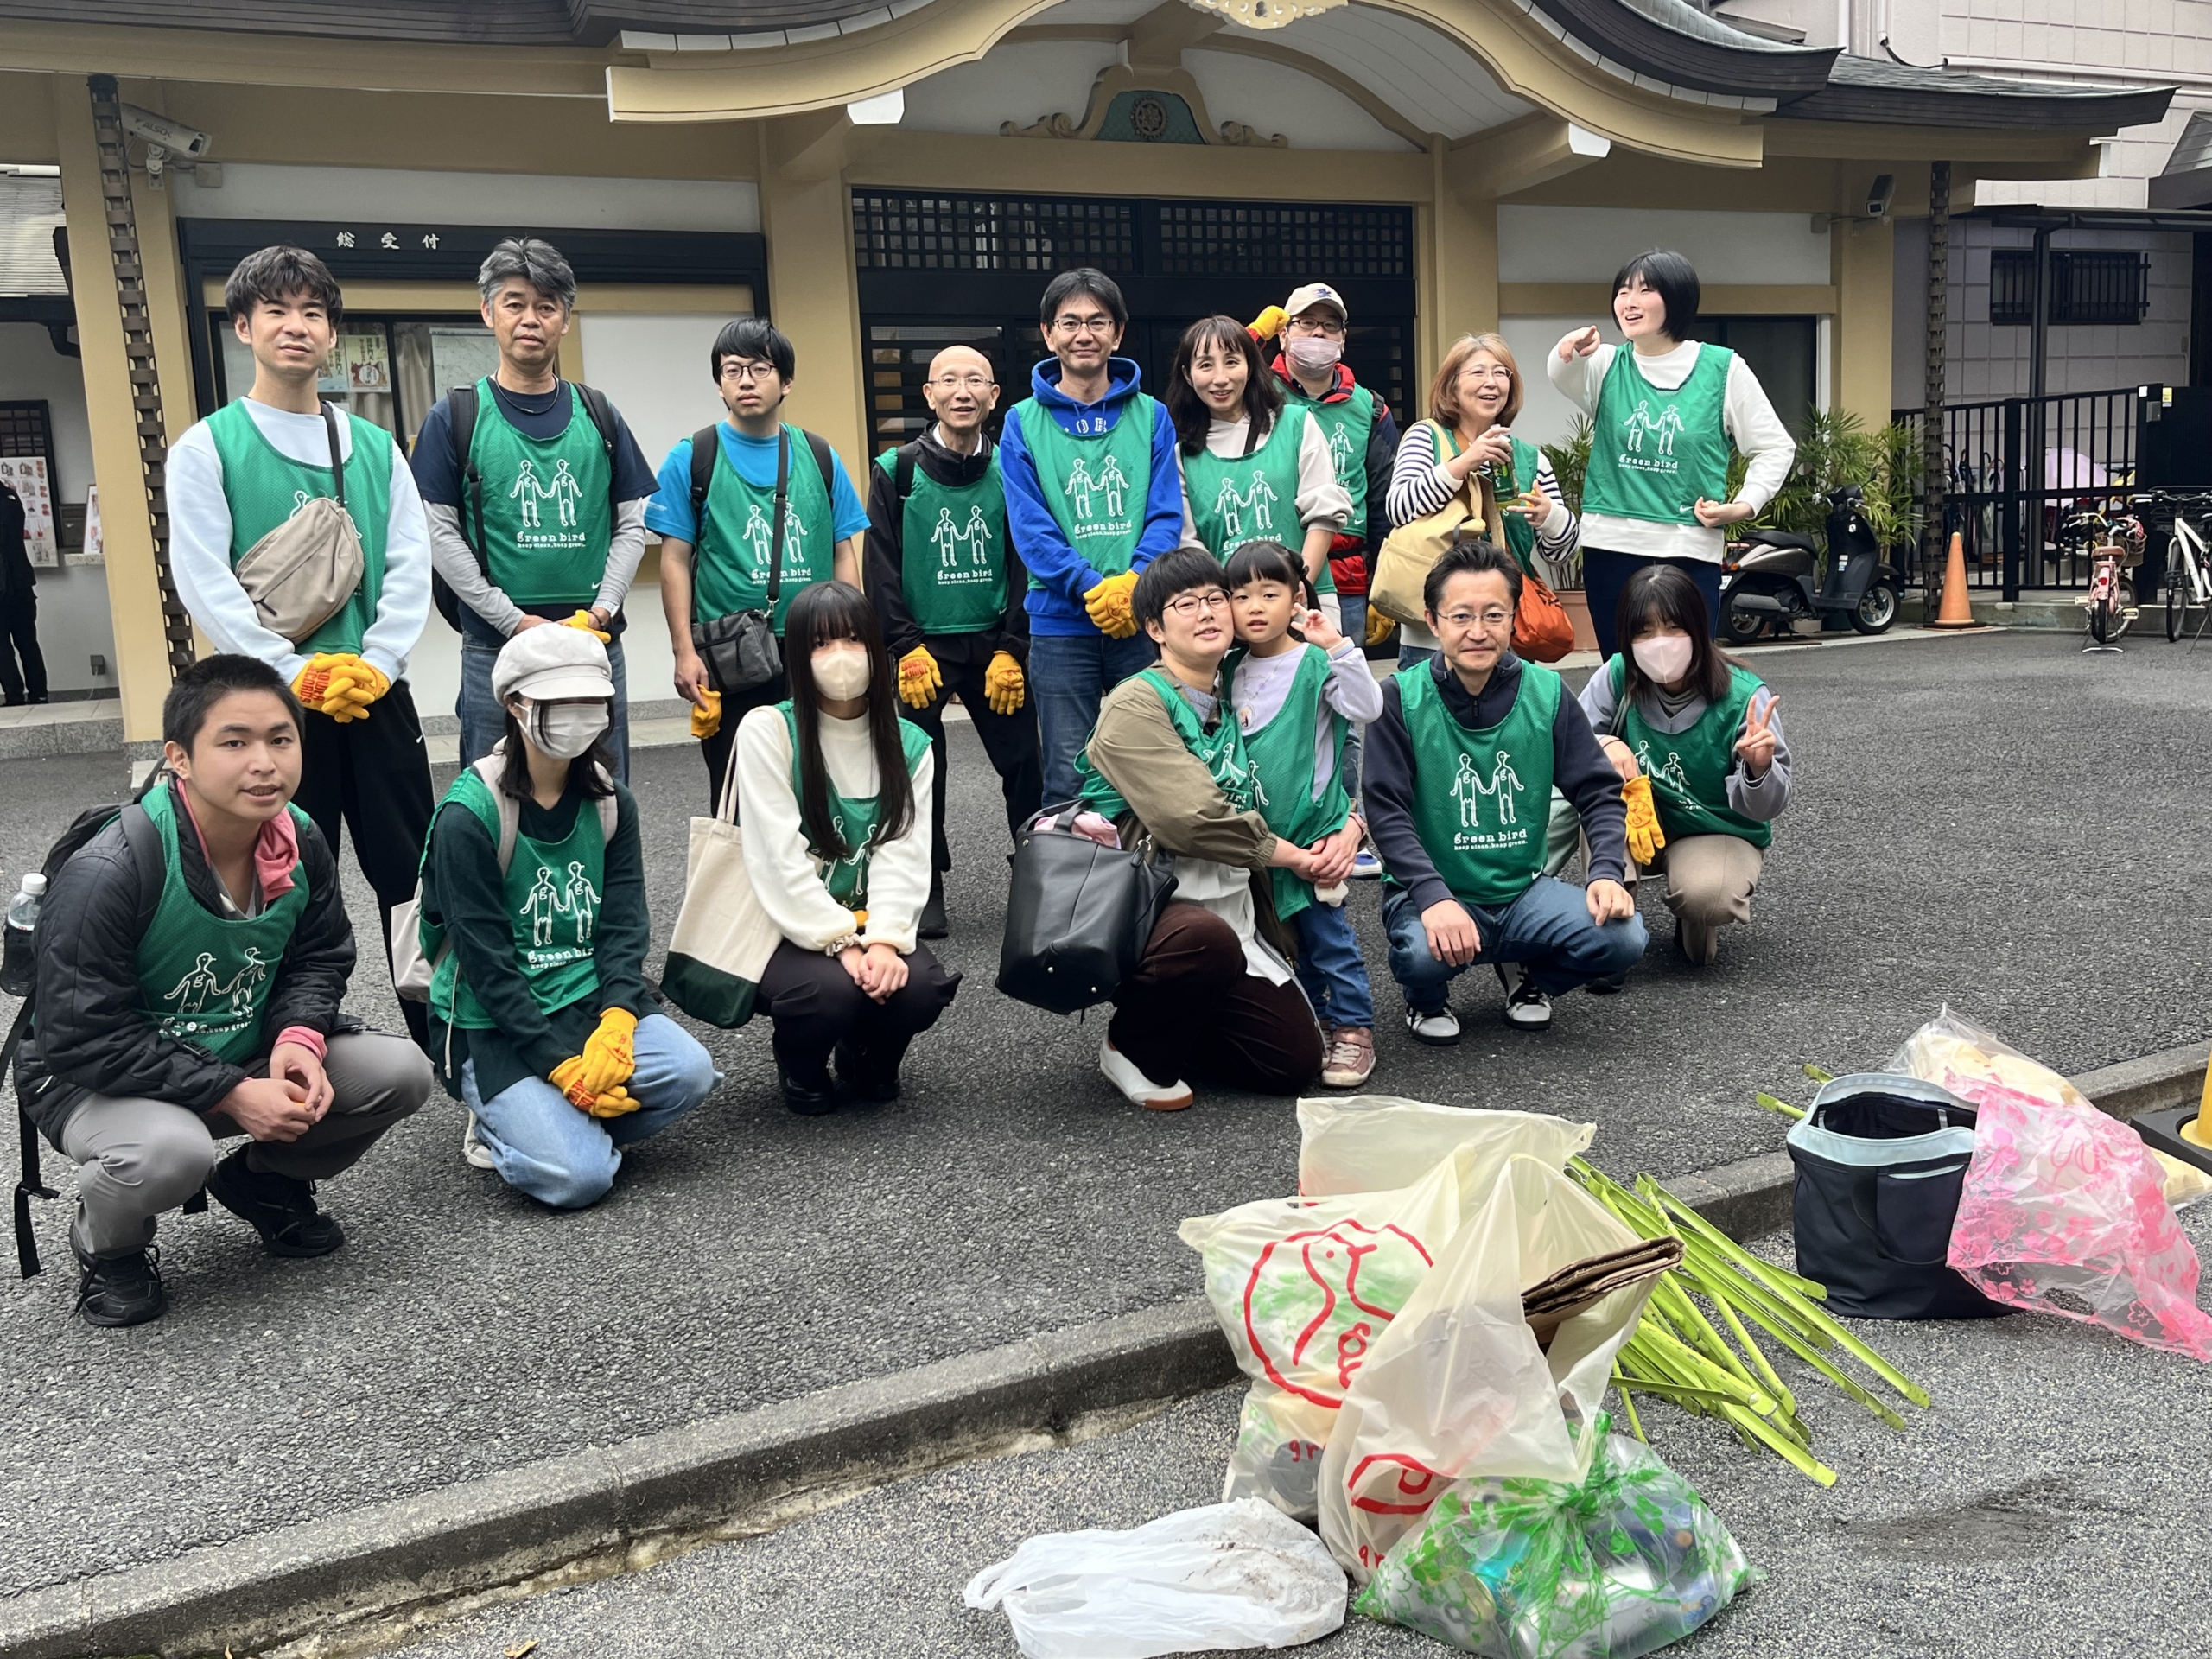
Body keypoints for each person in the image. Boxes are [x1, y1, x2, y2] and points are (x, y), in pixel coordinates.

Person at [14, 655, 432, 1326]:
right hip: (95, 1077)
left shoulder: (300, 838)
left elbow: (319, 957)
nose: (264, 763)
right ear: (179, 757)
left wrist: (298, 1037)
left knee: (400, 1073)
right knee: (170, 1154)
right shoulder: (112, 868)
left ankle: (265, 1183)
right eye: (234, 742)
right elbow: (80, 1034)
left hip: (235, 1049)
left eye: (281, 739)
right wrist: (232, 1092)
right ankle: (109, 1244)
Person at [168, 245, 436, 1048]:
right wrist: (294, 672)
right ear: (242, 327)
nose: (297, 326)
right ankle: (288, 1036)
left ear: (333, 335)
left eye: (313, 312)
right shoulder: (207, 447)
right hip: (268, 708)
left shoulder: (376, 447)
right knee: (278, 872)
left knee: (413, 874)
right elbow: (205, 579)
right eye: (277, 311)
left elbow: (408, 564)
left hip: (377, 697)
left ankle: (445, 1034)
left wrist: (378, 663)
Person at [420, 626, 716, 1204]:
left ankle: (554, 1123)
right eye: (558, 702)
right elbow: (486, 966)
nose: (577, 717)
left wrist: (619, 1017)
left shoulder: (611, 801)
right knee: (579, 1179)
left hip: (584, 999)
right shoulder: (469, 815)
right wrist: (559, 1067)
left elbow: (624, 925)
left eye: (590, 702)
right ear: (513, 704)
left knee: (690, 1073)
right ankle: (506, 1123)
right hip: (496, 1023)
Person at [1076, 547, 1328, 1109]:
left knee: (1291, 1063)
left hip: (1231, 909)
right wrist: (1292, 855)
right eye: (1185, 604)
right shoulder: (1136, 702)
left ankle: (1184, 1016)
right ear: (1154, 629)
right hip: (1151, 908)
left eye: (1216, 598)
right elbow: (1190, 819)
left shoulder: (1231, 689)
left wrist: (1348, 822)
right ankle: (1130, 1045)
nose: (1208, 612)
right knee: (1202, 940)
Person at [1365, 541, 1646, 1038]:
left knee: (1624, 939)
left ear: (1514, 617)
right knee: (1421, 955)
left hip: (1522, 890)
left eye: (1494, 615)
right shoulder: (1398, 698)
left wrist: (1605, 872)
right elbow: (1388, 813)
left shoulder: (1547, 692)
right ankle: (1426, 999)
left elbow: (1598, 791)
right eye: (1461, 616)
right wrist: (1433, 897)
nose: (1478, 631)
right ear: (1432, 622)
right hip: (1437, 889)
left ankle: (1528, 975)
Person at [410, 238, 659, 779]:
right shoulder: (455, 417)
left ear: (565, 320)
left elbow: (631, 521)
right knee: (494, 791)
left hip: (593, 644)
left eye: (546, 306)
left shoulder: (600, 414)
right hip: (494, 647)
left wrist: (601, 611)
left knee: (605, 791)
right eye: (515, 303)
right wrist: (513, 620)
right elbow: (439, 534)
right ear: (488, 312)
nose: (531, 319)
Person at [735, 581, 960, 1115]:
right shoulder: (768, 731)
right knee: (829, 992)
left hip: (867, 920)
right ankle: (801, 1064)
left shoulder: (908, 743)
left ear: (876, 649)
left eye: (854, 639)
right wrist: (842, 942)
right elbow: (778, 860)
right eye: (820, 643)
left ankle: (867, 1055)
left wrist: (883, 942)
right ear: (797, 655)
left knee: (920, 987)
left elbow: (905, 854)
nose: (840, 656)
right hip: (787, 926)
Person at [649, 318, 867, 811]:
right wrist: (684, 651)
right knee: (738, 790)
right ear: (719, 384)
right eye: (732, 370)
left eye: (760, 369)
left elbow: (843, 553)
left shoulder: (820, 455)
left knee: (824, 777)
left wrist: (853, 639)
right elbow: (675, 561)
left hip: (815, 643)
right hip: (731, 651)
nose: (745, 381)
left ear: (786, 381)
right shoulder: (693, 457)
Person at [867, 343, 1042, 941]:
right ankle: (923, 884)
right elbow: (880, 566)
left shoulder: (1012, 467)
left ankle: (1038, 876)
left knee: (1026, 764)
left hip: (994, 645)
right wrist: (903, 645)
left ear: (994, 396)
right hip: (924, 648)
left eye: (975, 381)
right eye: (948, 380)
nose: (961, 392)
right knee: (919, 770)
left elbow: (1025, 560)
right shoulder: (896, 471)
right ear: (929, 394)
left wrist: (1013, 646)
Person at [1547, 250, 1795, 658]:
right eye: (1623, 291)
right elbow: (1562, 372)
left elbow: (1774, 446)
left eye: (1645, 291)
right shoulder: (1606, 364)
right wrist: (1567, 347)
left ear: (1677, 299)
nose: (1629, 302)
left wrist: (1744, 505)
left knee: (1689, 669)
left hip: (1688, 546)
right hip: (1611, 544)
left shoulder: (1723, 368)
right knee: (1621, 669)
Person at [998, 269, 1185, 804]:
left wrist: (1134, 583)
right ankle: (1074, 865)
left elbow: (1165, 513)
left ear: (1118, 333)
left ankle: (1149, 864)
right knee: (1067, 774)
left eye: (1098, 322)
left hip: (1142, 617)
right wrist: (1090, 586)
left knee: (1155, 765)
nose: (1084, 334)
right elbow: (1030, 528)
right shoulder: (1021, 421)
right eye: (1070, 322)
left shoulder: (1152, 415)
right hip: (1059, 624)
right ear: (1048, 333)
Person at [1224, 541, 1380, 1089]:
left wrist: (1337, 646)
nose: (1255, 607)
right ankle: (1316, 1026)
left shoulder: (1314, 662)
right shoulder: (1229, 670)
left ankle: (1354, 1028)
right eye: (1241, 596)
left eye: (1269, 593)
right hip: (1262, 840)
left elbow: (1367, 708)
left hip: (1313, 835)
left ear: (1296, 600)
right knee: (1284, 943)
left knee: (1328, 939)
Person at [1577, 565, 1789, 965]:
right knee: (1598, 795)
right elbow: (1569, 743)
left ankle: (1693, 911)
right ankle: (1612, 931)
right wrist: (1605, 743)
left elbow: (1768, 807)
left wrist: (1759, 769)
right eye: (1644, 631)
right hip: (1640, 818)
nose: (1659, 643)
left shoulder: (1745, 697)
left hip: (1714, 827)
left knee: (1707, 899)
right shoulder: (1618, 676)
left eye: (1673, 628)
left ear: (1698, 626)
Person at [1387, 334, 1579, 672]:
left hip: (1505, 633)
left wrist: (1550, 517)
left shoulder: (1530, 459)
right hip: (1431, 635)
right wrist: (1464, 463)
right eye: (1478, 372)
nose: (1491, 382)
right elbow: (1399, 508)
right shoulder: (1426, 437)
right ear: (1452, 388)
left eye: (1500, 373)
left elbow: (1560, 554)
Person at [1168, 315, 1351, 628]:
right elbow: (1191, 545)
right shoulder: (1182, 454)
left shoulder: (1296, 424)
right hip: (1234, 613)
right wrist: (1235, 601)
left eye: (1231, 362)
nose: (1220, 378)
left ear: (1251, 366)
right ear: (1188, 374)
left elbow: (1324, 515)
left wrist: (1296, 588)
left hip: (1306, 605)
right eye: (1206, 365)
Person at [1262, 282, 1402, 660]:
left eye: (1330, 325)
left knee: (1341, 683)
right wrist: (1255, 334)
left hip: (1347, 579)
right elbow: (1211, 373)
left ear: (1343, 338)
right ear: (1283, 334)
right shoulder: (1256, 396)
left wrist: (1382, 586)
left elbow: (1383, 503)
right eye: (1306, 323)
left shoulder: (1370, 408)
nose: (1319, 333)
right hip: (1270, 572)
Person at [0, 470, 47, 704]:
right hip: (22, 584)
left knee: (2, 648)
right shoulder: (11, 498)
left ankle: (15, 696)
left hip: (4, 587)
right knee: (28, 642)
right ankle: (39, 693)